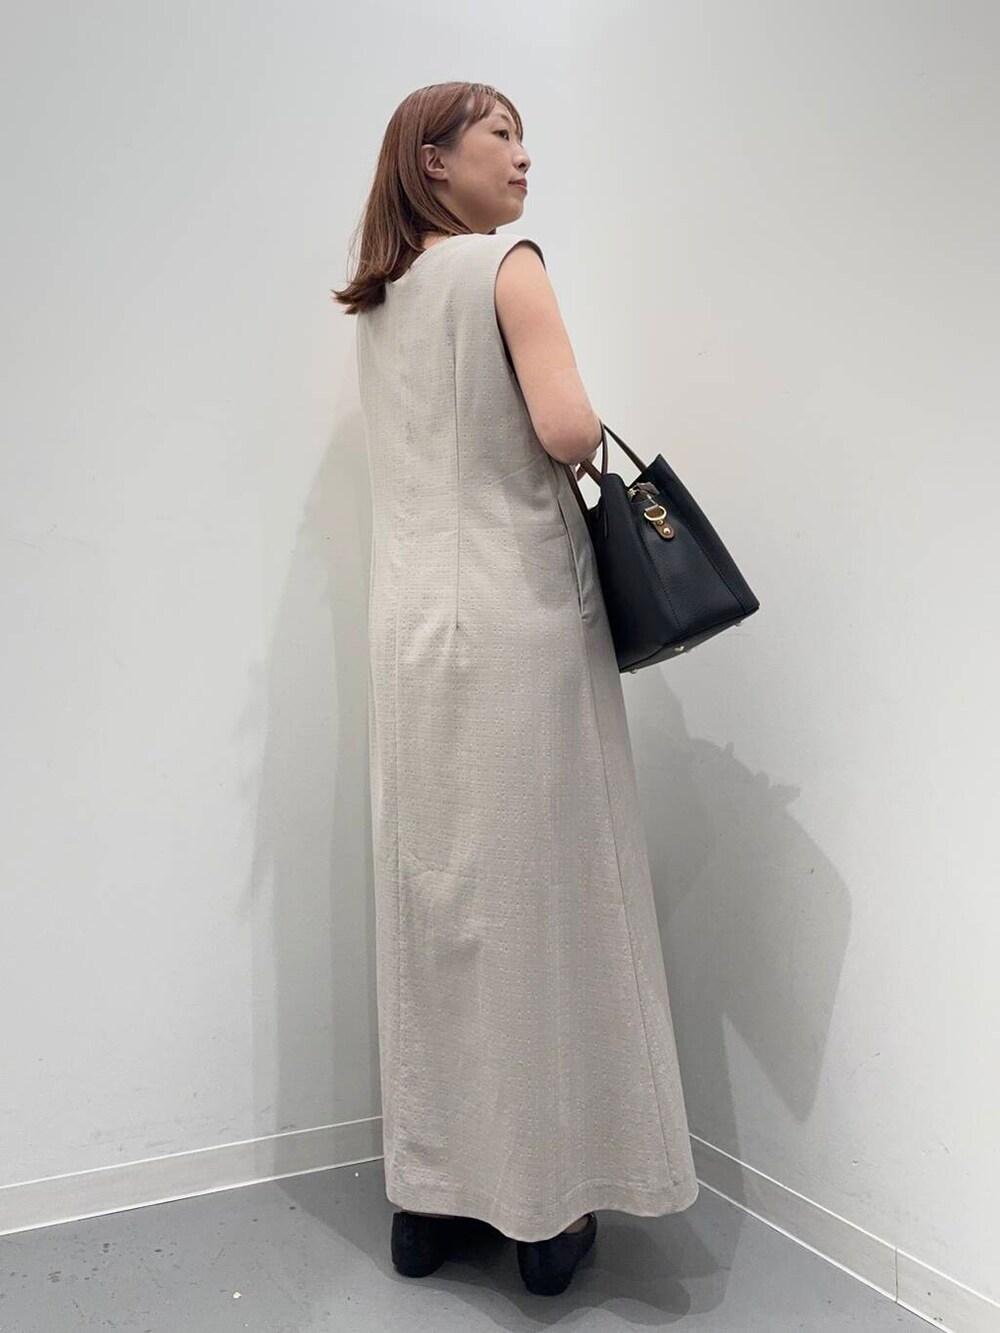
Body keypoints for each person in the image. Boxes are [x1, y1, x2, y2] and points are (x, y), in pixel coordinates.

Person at [331, 81, 699, 1297]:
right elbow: (567, 430)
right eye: (501, 136)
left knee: (437, 910)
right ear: (433, 161)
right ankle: (548, 1212)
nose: (524, 158)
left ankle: (429, 1203)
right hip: (518, 619)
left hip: (409, 631)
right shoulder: (507, 266)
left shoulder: (378, 303)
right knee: (548, 902)